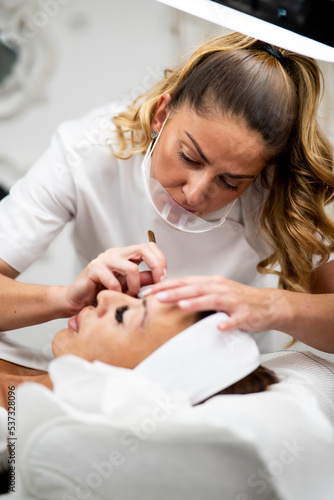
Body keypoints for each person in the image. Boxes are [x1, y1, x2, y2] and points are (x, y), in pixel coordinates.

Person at [0, 32, 333, 351]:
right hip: (104, 357)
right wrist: (63, 298)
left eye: (230, 182)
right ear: (162, 114)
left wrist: (272, 305)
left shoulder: (277, 196)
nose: (195, 193)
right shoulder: (85, 151)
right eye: (189, 157)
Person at [0, 288, 278, 411]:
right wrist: (59, 297)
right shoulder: (35, 365)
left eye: (122, 315)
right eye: (137, 298)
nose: (105, 295)